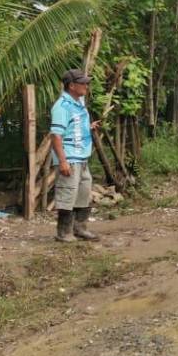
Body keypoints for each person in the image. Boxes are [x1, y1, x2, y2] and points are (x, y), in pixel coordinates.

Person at [50, 69, 101, 242]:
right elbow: (56, 135)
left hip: (82, 158)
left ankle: (80, 228)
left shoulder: (78, 103)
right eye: (83, 83)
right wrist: (63, 161)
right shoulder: (62, 106)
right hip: (70, 158)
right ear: (72, 86)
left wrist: (89, 127)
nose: (87, 86)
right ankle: (63, 233)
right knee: (67, 194)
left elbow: (75, 126)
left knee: (83, 193)